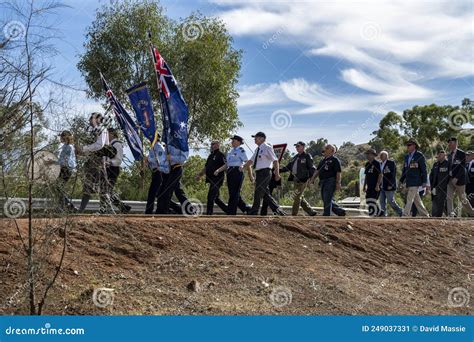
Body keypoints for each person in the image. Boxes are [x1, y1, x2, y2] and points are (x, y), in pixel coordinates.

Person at [243, 132, 286, 216]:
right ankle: (278, 210)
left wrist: (277, 173)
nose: (254, 139)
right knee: (265, 194)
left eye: (256, 137)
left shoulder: (267, 147)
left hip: (265, 172)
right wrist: (242, 167)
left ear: (262, 138)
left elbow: (275, 160)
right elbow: (250, 161)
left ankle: (254, 211)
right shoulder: (257, 149)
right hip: (259, 173)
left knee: (258, 192)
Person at [75, 112, 109, 213]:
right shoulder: (94, 131)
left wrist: (84, 148)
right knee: (88, 185)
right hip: (92, 161)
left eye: (92, 118)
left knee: (102, 186)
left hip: (98, 162)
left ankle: (103, 210)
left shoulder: (102, 130)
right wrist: (82, 152)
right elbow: (93, 148)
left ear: (97, 119)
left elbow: (99, 145)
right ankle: (81, 210)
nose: (90, 120)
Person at [214, 135, 251, 215]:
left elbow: (247, 162)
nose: (232, 142)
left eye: (233, 141)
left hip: (237, 172)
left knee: (235, 193)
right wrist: (218, 170)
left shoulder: (241, 151)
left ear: (238, 142)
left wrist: (243, 168)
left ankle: (231, 212)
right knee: (232, 193)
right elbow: (227, 164)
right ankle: (246, 209)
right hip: (230, 172)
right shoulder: (230, 152)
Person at [280, 141, 317, 216]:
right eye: (296, 146)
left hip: (303, 179)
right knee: (299, 196)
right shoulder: (295, 157)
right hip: (295, 179)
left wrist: (311, 178)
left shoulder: (307, 156)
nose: (297, 148)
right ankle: (310, 211)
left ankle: (294, 215)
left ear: (303, 147)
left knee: (296, 197)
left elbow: (311, 168)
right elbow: (288, 167)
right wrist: (278, 170)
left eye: (298, 146)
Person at [311, 144, 346, 216]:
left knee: (327, 198)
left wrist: (338, 183)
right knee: (325, 198)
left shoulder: (335, 160)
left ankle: (326, 215)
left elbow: (338, 172)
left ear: (332, 151)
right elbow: (317, 171)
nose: (325, 149)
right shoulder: (322, 161)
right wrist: (312, 179)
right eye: (325, 148)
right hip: (323, 181)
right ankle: (340, 211)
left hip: (330, 181)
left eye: (327, 148)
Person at [399, 138, 429, 217]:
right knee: (417, 200)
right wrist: (401, 180)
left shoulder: (419, 155)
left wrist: (424, 181)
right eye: (407, 145)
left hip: (416, 181)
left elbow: (424, 170)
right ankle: (425, 215)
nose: (407, 146)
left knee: (409, 198)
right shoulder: (406, 157)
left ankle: (405, 215)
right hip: (409, 181)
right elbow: (405, 170)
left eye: (409, 145)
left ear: (414, 146)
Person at [104, 128, 131, 214]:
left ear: (112, 134)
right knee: (106, 190)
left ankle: (109, 210)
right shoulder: (109, 144)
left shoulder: (117, 144)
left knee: (107, 190)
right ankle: (123, 207)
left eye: (107, 134)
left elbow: (119, 160)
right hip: (108, 169)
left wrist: (109, 162)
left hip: (113, 169)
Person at [197, 141, 228, 215]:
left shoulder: (221, 155)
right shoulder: (210, 156)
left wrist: (228, 179)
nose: (211, 145)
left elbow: (226, 166)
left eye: (213, 144)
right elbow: (206, 167)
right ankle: (228, 210)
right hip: (211, 179)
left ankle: (209, 214)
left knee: (210, 196)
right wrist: (200, 175)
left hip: (218, 179)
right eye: (211, 144)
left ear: (218, 145)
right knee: (216, 198)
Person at [446, 137, 474, 217]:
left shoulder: (461, 153)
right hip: (450, 179)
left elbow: (462, 167)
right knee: (449, 196)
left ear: (455, 143)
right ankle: (451, 213)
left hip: (460, 179)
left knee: (462, 198)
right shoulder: (449, 154)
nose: (449, 144)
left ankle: (472, 212)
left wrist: (456, 178)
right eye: (449, 143)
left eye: (451, 143)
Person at [53, 130, 77, 212]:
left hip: (66, 169)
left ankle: (69, 205)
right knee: (58, 188)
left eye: (62, 136)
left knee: (58, 188)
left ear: (66, 137)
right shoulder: (65, 146)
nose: (60, 137)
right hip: (63, 169)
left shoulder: (69, 147)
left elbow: (65, 161)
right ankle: (64, 206)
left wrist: (53, 162)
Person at [145, 135, 169, 214]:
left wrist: (149, 159)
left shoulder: (158, 147)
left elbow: (160, 159)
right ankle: (167, 208)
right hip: (155, 171)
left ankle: (149, 211)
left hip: (159, 172)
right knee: (158, 194)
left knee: (153, 193)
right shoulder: (154, 147)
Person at [378, 151, 403, 217]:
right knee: (382, 201)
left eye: (382, 155)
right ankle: (383, 214)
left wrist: (390, 184)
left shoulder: (391, 163)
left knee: (391, 201)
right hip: (382, 186)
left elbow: (393, 174)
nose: (380, 156)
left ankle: (401, 212)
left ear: (386, 156)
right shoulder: (380, 164)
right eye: (380, 155)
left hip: (389, 186)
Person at [429, 150, 449, 217]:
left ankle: (438, 217)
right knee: (435, 201)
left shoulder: (448, 164)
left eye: (441, 155)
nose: (439, 156)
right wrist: (432, 186)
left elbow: (449, 176)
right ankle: (434, 216)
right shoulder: (435, 164)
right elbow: (431, 175)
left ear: (445, 156)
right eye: (439, 155)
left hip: (444, 187)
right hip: (435, 187)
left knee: (441, 202)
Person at [363, 148, 382, 217]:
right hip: (369, 185)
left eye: (369, 154)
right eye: (367, 154)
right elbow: (366, 175)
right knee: (368, 200)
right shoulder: (367, 164)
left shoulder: (377, 163)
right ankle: (378, 213)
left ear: (373, 155)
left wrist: (377, 185)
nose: (368, 156)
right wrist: (364, 185)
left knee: (373, 200)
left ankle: (373, 214)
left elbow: (380, 174)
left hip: (375, 185)